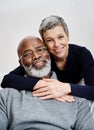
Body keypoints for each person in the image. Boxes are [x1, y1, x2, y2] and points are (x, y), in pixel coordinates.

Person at [0, 35, 94, 130]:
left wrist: (67, 88)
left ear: (49, 54)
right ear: (21, 63)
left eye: (40, 50)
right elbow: (6, 79)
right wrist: (40, 84)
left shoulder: (78, 101)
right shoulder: (6, 96)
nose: (36, 56)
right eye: (27, 54)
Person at [1, 15, 94, 101]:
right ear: (44, 43)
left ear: (67, 36)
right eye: (50, 40)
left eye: (60, 37)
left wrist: (64, 88)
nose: (57, 44)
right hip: (53, 97)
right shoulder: (44, 58)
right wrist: (42, 85)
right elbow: (7, 80)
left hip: (76, 91)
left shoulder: (82, 54)